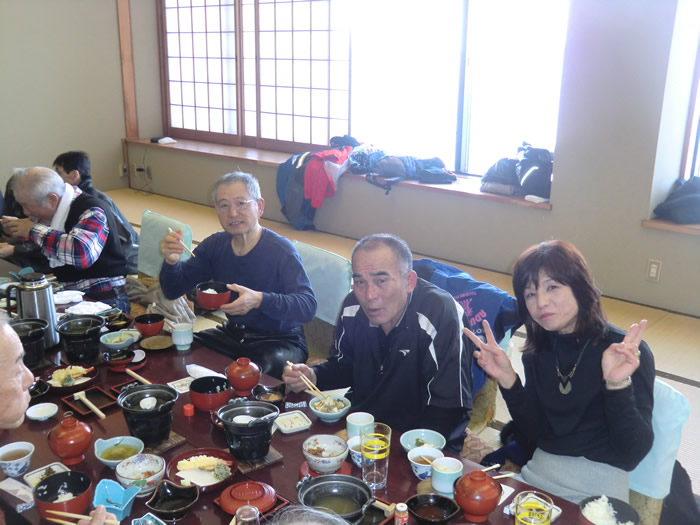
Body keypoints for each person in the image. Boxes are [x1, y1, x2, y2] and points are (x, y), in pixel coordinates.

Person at [465, 240, 655, 503]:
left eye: (552, 287)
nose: (541, 302)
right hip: (536, 478)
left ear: (580, 286)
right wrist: (509, 380)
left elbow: (632, 454)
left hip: (598, 495)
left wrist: (616, 386)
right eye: (530, 294)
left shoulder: (625, 352)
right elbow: (536, 433)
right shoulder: (537, 352)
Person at [283, 233, 473, 452]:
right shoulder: (353, 306)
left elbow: (450, 407)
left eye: (381, 281)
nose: (369, 295)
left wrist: (418, 452)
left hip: (420, 440)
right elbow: (344, 366)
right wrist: (313, 376)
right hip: (364, 428)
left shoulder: (440, 313)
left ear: (409, 281)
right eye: (359, 282)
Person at [160, 171, 316, 379]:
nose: (232, 213)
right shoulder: (215, 246)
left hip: (279, 341)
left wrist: (260, 300)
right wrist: (171, 262)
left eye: (241, 203)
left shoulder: (281, 250)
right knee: (182, 351)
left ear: (259, 206)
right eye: (223, 205)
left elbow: (307, 306)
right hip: (233, 334)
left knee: (253, 375)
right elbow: (172, 290)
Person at [0, 167, 130, 312]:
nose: (25, 212)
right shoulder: (57, 211)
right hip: (73, 294)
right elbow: (48, 246)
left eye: (27, 206)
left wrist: (32, 230)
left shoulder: (91, 210)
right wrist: (18, 230)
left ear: (52, 199)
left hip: (105, 297)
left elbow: (81, 254)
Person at [53, 151, 140, 275]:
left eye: (58, 172)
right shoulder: (76, 198)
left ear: (74, 176)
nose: (55, 178)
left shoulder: (92, 203)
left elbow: (125, 241)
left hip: (126, 263)